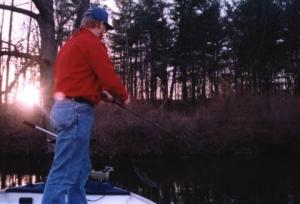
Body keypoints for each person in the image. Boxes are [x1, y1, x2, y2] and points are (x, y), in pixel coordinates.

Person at [41, 5, 129, 204]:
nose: (104, 32)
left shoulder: (71, 45)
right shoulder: (91, 43)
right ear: (98, 24)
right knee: (64, 169)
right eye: (104, 27)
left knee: (80, 168)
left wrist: (99, 94)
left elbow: (76, 79)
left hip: (66, 108)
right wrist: (122, 96)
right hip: (77, 112)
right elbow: (108, 76)